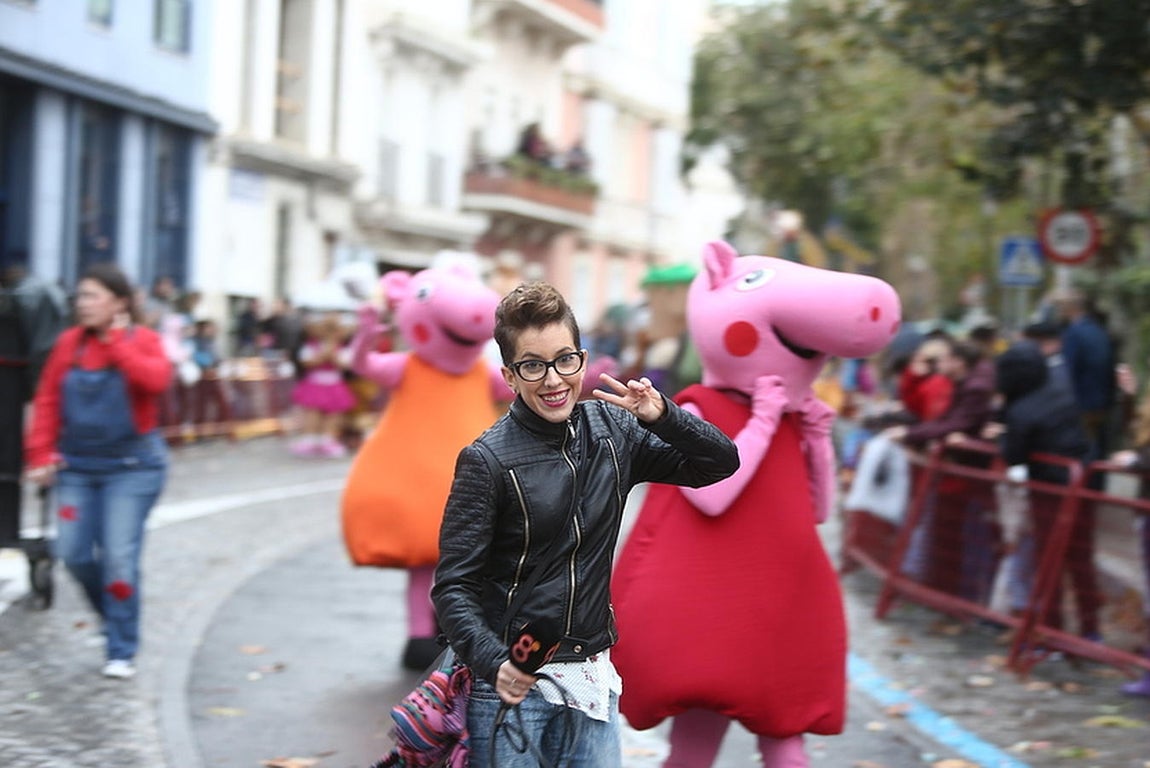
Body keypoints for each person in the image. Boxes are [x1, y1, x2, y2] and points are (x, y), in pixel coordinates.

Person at [431, 281, 739, 768]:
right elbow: (452, 587)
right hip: (513, 690)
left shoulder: (613, 431)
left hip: (591, 673)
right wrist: (496, 663)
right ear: (511, 376)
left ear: (582, 358)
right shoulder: (486, 461)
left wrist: (663, 417)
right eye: (533, 365)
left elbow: (719, 463)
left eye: (564, 360)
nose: (553, 380)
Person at [24, 263, 171, 679]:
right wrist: (39, 454)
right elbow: (48, 399)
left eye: (92, 296)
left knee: (119, 559)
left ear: (119, 302)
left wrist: (118, 345)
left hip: (133, 468)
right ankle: (112, 614)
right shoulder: (69, 344)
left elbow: (156, 382)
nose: (82, 304)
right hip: (77, 467)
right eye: (81, 296)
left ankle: (121, 646)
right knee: (71, 553)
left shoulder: (144, 340)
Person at [289, 312, 356, 458]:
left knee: (334, 415)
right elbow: (307, 362)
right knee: (313, 412)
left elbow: (345, 365)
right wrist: (323, 355)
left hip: (335, 385)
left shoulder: (343, 348)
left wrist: (333, 356)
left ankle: (328, 440)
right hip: (315, 384)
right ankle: (310, 439)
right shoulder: (310, 346)